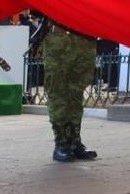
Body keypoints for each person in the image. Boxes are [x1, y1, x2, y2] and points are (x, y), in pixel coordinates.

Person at [40, 17, 99, 162]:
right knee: (58, 92)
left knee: (76, 93)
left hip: (85, 38)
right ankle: (61, 143)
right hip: (59, 38)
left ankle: (74, 141)